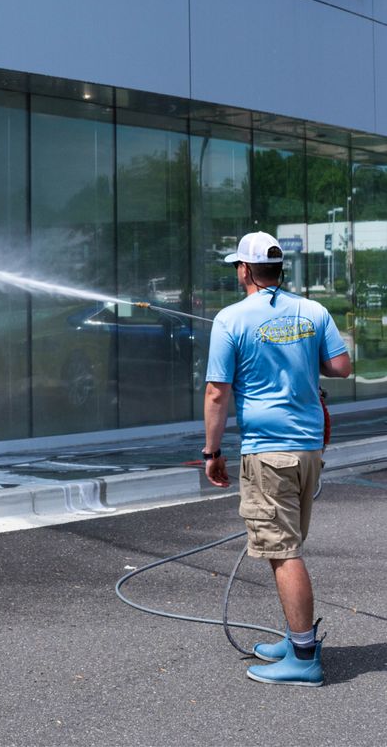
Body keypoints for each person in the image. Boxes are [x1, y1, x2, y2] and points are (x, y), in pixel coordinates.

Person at [202, 231, 351, 686]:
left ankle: (303, 657)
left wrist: (212, 452)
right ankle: (293, 638)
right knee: (287, 545)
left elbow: (216, 393)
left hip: (268, 452)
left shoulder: (230, 319)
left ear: (245, 270)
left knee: (284, 553)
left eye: (237, 267)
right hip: (308, 449)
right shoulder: (314, 311)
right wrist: (302, 355)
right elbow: (341, 367)